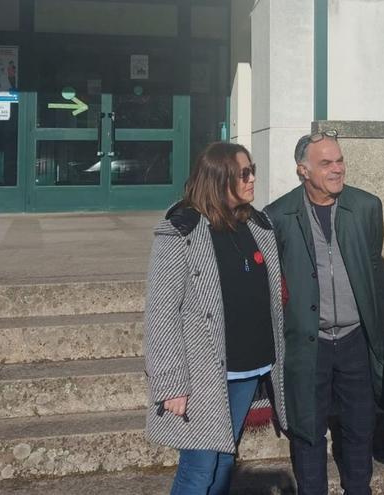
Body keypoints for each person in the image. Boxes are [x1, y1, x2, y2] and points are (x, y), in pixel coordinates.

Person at [143, 142, 287, 495]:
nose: (253, 178)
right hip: (203, 372)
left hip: (248, 367)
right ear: (220, 179)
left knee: (224, 458)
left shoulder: (257, 223)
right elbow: (162, 311)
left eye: (252, 170)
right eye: (244, 173)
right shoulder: (183, 229)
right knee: (199, 466)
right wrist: (171, 383)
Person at [265, 130, 384, 495]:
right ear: (303, 170)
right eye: (326, 163)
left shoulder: (366, 207)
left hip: (354, 340)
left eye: (340, 160)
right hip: (307, 342)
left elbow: (372, 261)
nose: (337, 169)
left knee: (360, 428)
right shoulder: (278, 215)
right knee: (307, 430)